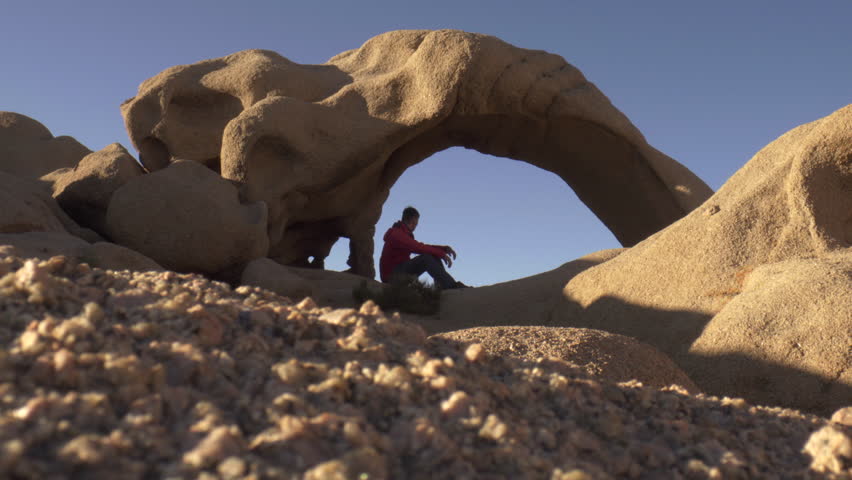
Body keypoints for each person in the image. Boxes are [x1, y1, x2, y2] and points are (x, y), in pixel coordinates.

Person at [379, 206, 468, 289]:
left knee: (432, 255)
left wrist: (442, 249)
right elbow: (418, 247)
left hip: (399, 271)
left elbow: (420, 246)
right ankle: (451, 286)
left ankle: (442, 286)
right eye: (415, 224)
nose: (415, 227)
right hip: (392, 276)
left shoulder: (403, 233)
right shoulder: (397, 234)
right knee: (426, 258)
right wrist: (441, 254)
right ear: (411, 221)